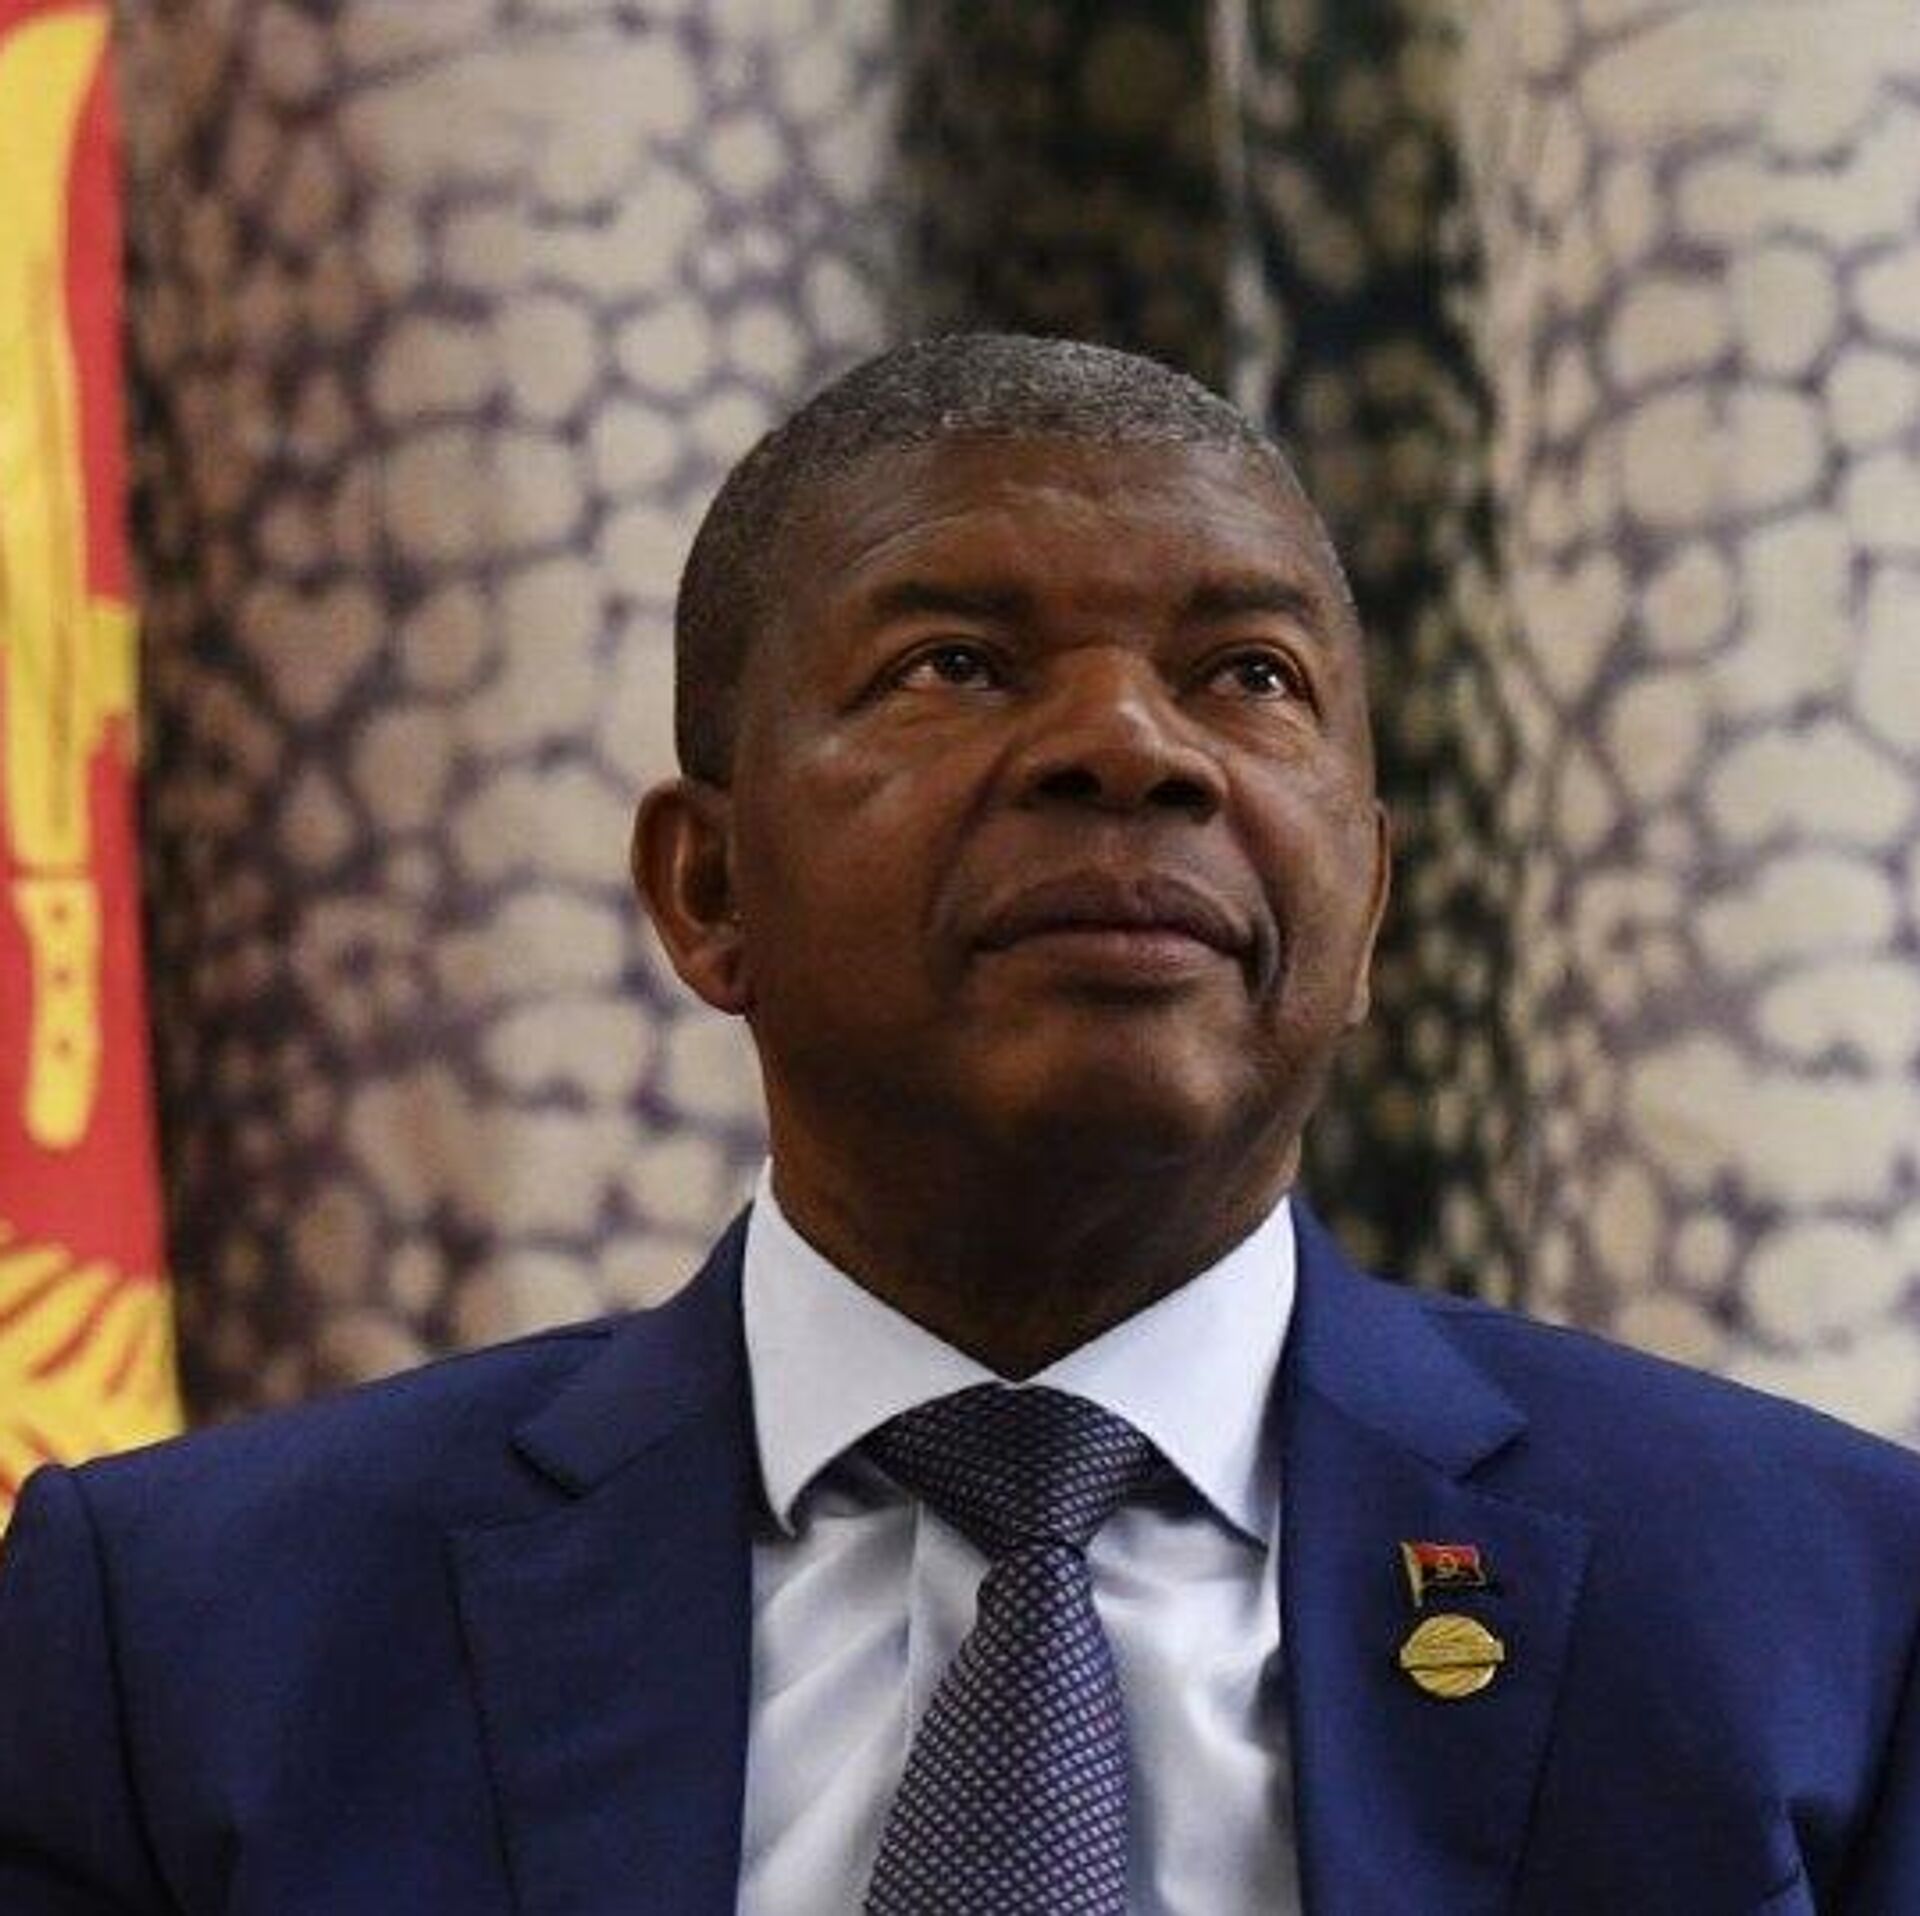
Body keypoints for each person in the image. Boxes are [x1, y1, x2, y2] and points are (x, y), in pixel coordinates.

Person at [1, 335, 1916, 1916]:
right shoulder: (182, 1639)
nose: (1132, 746)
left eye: (1248, 677)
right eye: (956, 665)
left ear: (1369, 906)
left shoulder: (1826, 1609)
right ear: (708, 891)